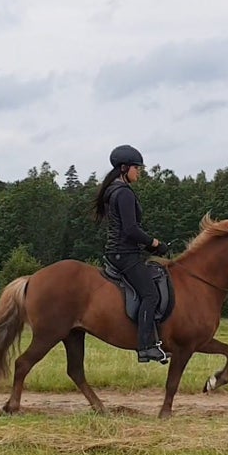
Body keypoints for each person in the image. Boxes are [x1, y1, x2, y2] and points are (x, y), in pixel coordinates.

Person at [92, 144, 170, 364]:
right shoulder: (123, 193)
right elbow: (131, 229)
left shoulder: (114, 191)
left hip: (120, 252)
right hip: (124, 254)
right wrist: (154, 243)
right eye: (137, 168)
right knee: (150, 295)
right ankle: (146, 347)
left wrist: (148, 247)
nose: (139, 172)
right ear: (124, 168)